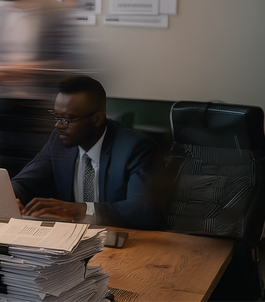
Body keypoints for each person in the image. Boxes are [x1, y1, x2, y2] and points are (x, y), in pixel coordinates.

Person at [11, 76, 165, 230]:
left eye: (68, 119)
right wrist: (11, 197)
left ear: (97, 119)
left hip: (124, 241)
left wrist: (79, 210)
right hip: (70, 239)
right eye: (57, 116)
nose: (58, 125)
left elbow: (144, 211)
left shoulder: (136, 148)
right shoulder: (58, 142)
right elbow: (24, 183)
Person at [0, 0, 77, 175]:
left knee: (41, 178)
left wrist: (30, 69)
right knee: (8, 179)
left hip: (39, 111)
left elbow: (70, 63)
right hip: (4, 108)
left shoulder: (54, 12)